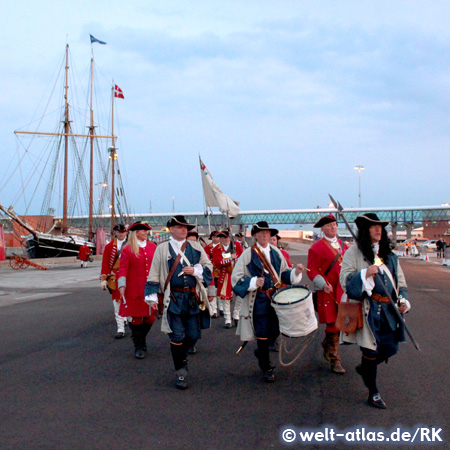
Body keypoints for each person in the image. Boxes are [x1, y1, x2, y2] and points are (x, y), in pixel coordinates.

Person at [340, 213, 411, 409]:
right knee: (370, 351)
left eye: (380, 227)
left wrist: (403, 300)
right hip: (367, 310)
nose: (378, 230)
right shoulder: (353, 253)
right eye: (373, 227)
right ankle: (373, 392)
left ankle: (365, 369)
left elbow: (401, 283)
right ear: (365, 230)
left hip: (389, 311)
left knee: (391, 348)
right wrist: (364, 273)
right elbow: (344, 280)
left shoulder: (389, 255)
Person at [145, 215, 213, 390]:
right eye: (180, 227)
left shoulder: (196, 247)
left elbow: (208, 267)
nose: (184, 230)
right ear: (171, 229)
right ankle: (181, 371)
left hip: (191, 298)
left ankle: (181, 358)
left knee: (192, 335)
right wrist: (152, 298)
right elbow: (153, 273)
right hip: (173, 298)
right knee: (176, 336)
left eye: (185, 227)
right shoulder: (162, 249)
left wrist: (196, 270)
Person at [231, 221, 305, 382]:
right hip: (258, 299)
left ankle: (261, 352)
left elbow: (284, 274)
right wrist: (252, 282)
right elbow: (236, 277)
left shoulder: (277, 252)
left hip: (275, 298)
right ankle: (266, 366)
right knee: (262, 332)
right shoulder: (248, 254)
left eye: (267, 233)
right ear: (255, 235)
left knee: (275, 330)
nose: (264, 235)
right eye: (261, 233)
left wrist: (296, 272)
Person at [306, 214, 347, 374]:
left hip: (342, 291)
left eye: (335, 225)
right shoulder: (316, 248)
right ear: (322, 229)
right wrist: (322, 283)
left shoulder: (345, 247)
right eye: (329, 226)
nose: (333, 228)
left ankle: (328, 345)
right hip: (327, 291)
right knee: (332, 324)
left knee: (342, 324)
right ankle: (335, 360)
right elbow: (312, 270)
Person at [118, 222, 157, 359]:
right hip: (134, 288)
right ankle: (138, 346)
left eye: (146, 231)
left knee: (150, 318)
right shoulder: (128, 249)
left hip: (150, 288)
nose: (146, 233)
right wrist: (121, 285)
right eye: (143, 230)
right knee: (136, 318)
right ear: (136, 233)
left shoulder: (153, 247)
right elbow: (122, 268)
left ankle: (140, 338)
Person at [100, 224, 128, 339]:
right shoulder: (109, 246)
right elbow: (105, 264)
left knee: (130, 300)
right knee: (117, 303)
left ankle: (129, 318)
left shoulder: (132, 245)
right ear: (115, 233)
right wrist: (103, 279)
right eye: (119, 232)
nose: (121, 234)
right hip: (115, 277)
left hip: (129, 276)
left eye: (123, 232)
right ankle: (120, 328)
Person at [212, 230, 243, 328]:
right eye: (221, 237)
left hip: (237, 273)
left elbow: (242, 257)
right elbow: (217, 262)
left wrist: (236, 259)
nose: (224, 239)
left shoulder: (237, 245)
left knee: (240, 295)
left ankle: (236, 314)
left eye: (225, 237)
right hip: (225, 274)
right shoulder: (217, 248)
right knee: (225, 298)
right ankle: (228, 318)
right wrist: (229, 258)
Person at [203, 230, 221, 318]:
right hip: (210, 271)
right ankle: (213, 309)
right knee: (212, 290)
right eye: (214, 237)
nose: (215, 238)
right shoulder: (206, 248)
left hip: (221, 271)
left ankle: (221, 307)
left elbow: (226, 258)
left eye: (217, 237)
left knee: (221, 291)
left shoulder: (223, 248)